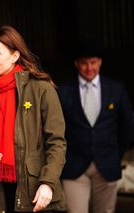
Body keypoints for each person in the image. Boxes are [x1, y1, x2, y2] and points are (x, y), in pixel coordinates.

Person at [0, 25, 67, 213]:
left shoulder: (41, 88)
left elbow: (56, 142)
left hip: (36, 191)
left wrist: (48, 183)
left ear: (15, 56)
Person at [57, 38, 133, 213]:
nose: (89, 67)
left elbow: (127, 126)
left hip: (107, 163)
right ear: (76, 63)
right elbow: (56, 128)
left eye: (93, 62)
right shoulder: (63, 91)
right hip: (73, 165)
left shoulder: (116, 88)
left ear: (100, 62)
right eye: (84, 63)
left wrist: (116, 153)